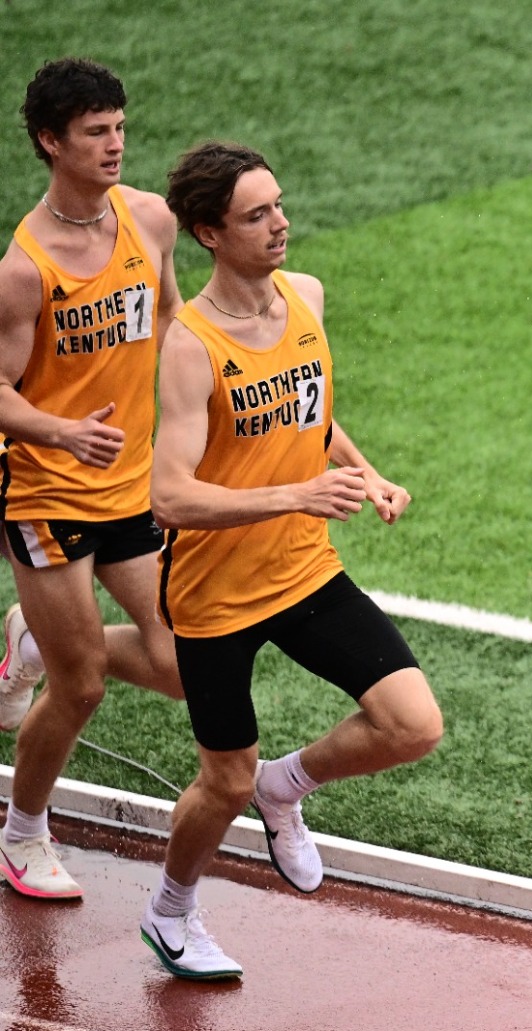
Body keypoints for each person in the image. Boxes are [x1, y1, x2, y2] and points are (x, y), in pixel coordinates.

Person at [140, 141, 442, 980]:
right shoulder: (191, 345)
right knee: (221, 783)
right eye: (256, 215)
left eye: (278, 206)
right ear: (208, 232)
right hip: (215, 595)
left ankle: (290, 786)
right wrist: (294, 496)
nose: (281, 225)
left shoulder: (305, 297)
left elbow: (309, 412)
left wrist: (363, 472)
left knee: (413, 724)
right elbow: (170, 496)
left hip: (303, 570)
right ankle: (171, 910)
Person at [0, 57, 185, 900]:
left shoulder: (150, 219)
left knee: (184, 666)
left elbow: (177, 322)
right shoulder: (25, 268)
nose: (115, 145)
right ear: (50, 142)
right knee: (79, 691)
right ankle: (23, 833)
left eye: (119, 126)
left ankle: (34, 640)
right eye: (94, 132)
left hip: (132, 487)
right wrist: (61, 430)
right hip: (46, 492)